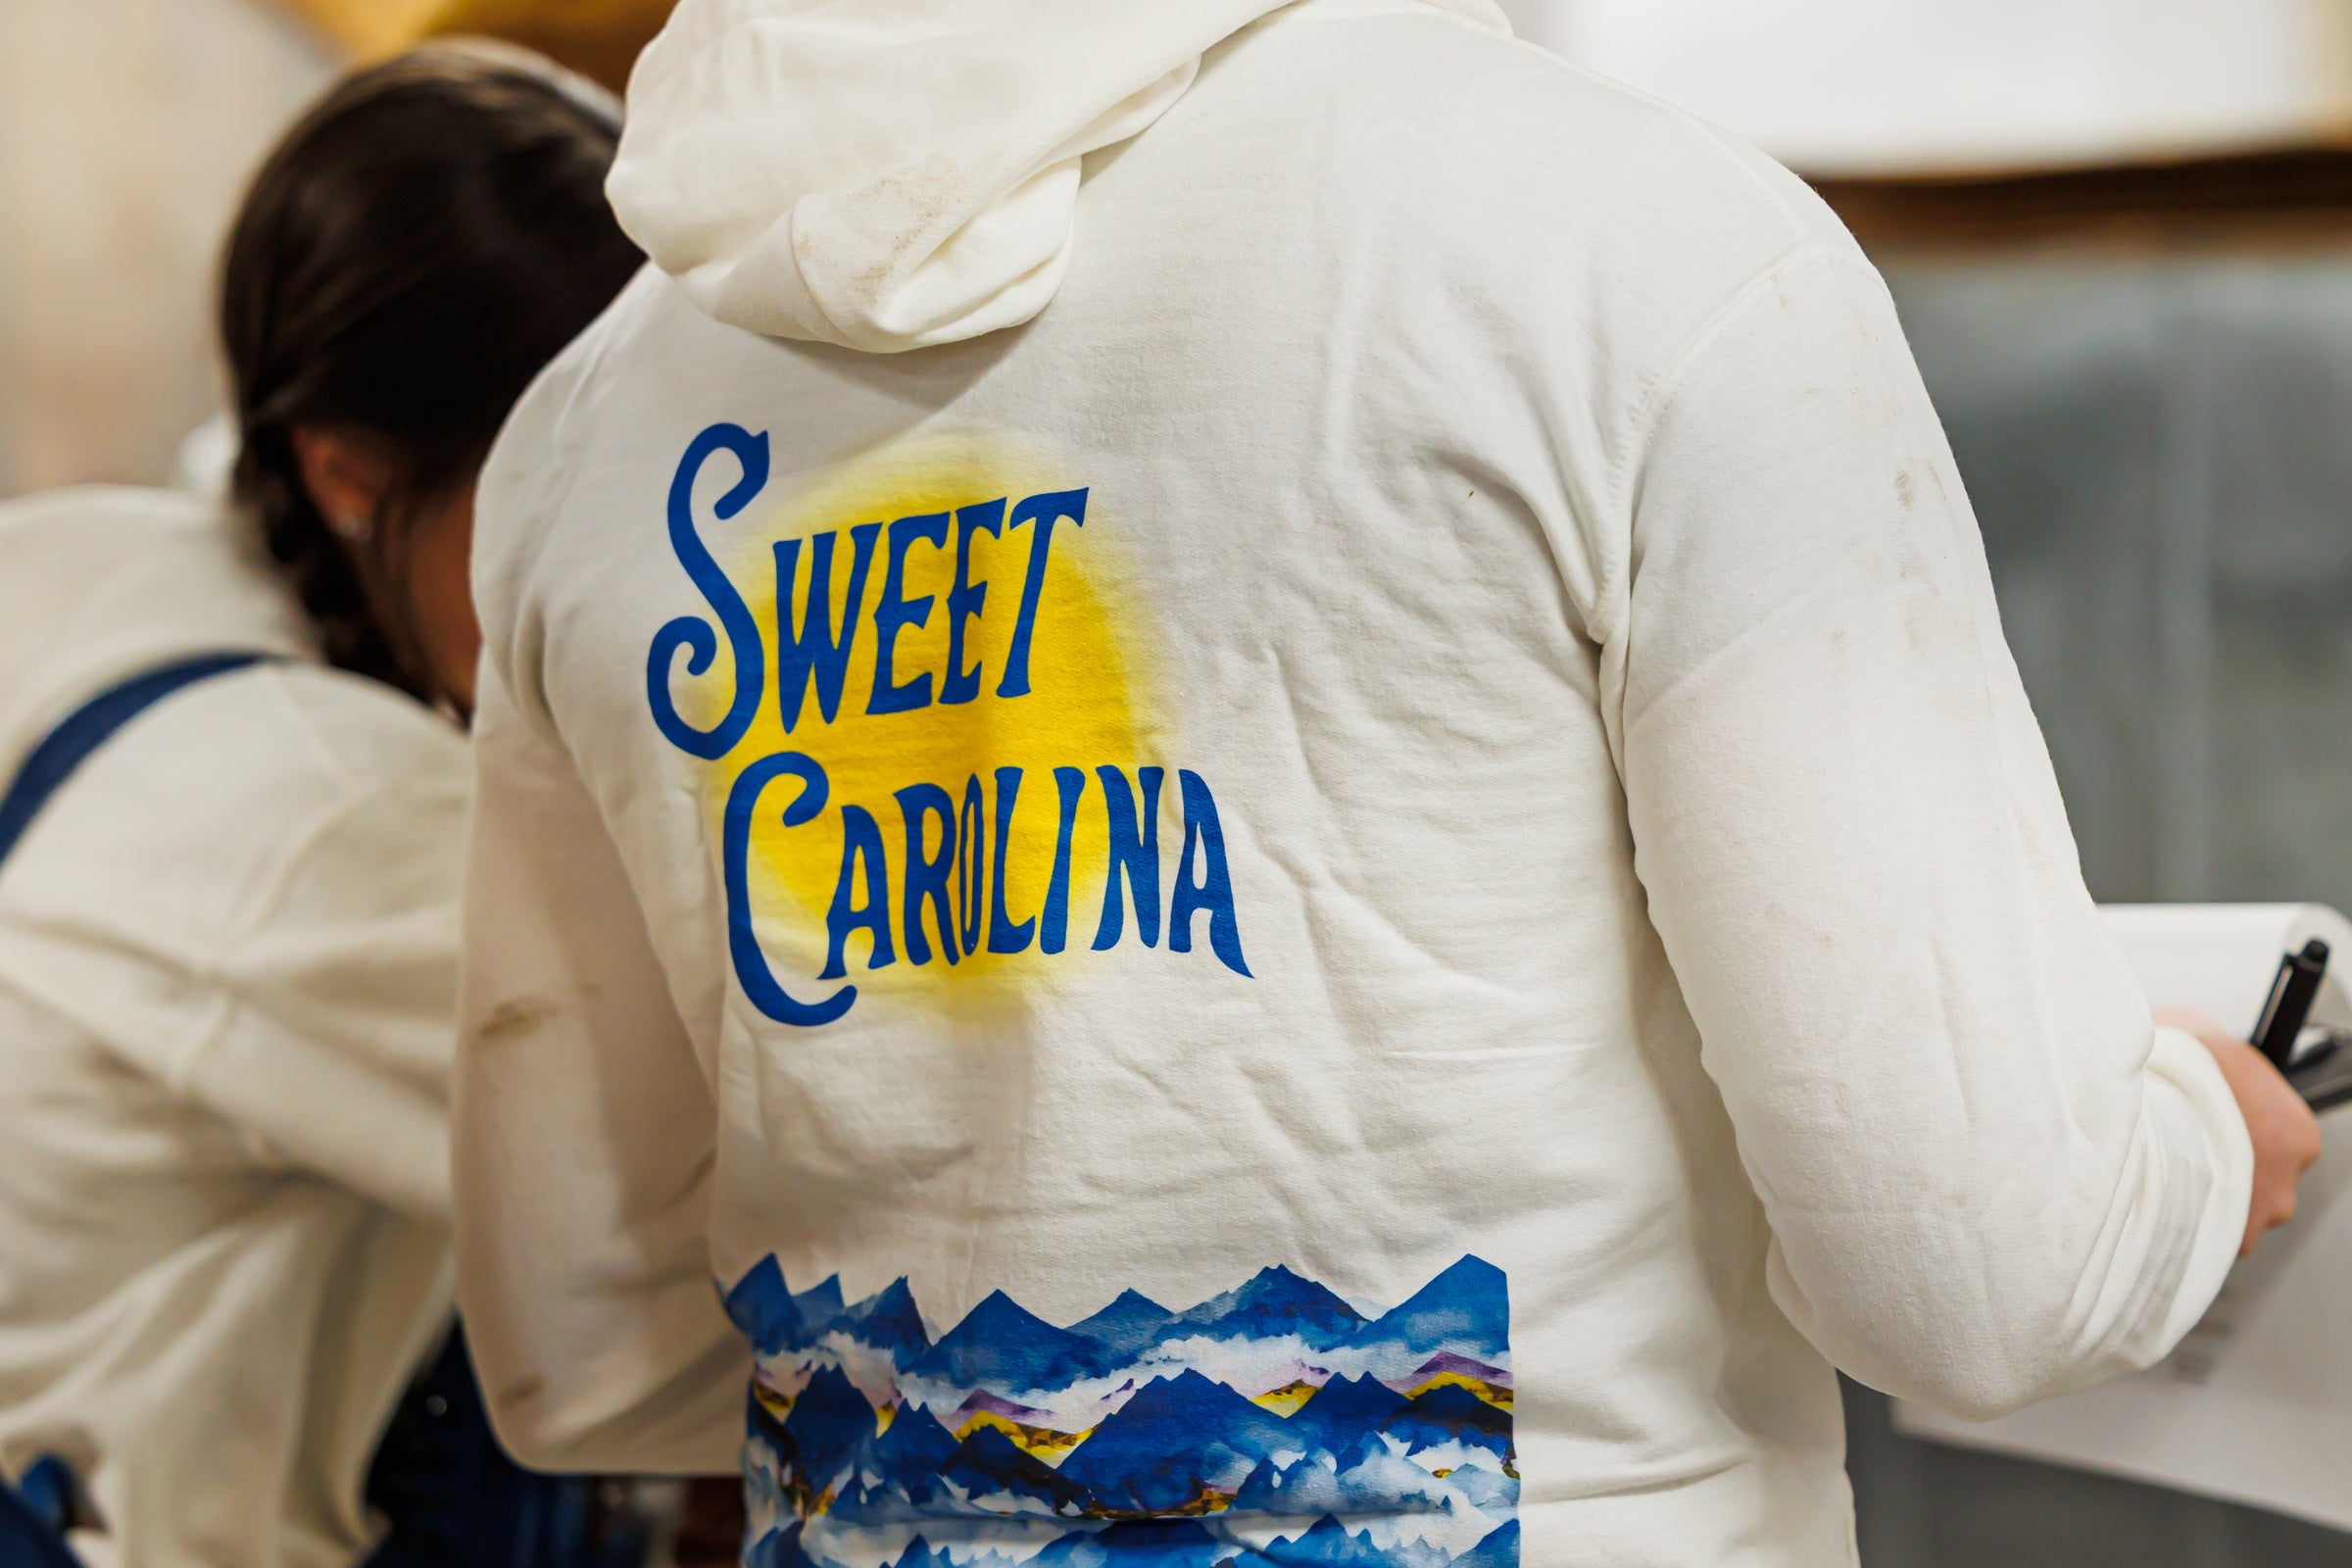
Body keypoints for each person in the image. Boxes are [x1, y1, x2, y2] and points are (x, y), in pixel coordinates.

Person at [450, 4, 2322, 1565]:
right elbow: (1979, 1275)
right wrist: (2194, 1147)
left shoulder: (582, 434)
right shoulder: (1641, 253)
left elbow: (579, 1347)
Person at [0, 44, 641, 1567]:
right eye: (562, 494)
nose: (624, 572)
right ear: (348, 471)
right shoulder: (334, 823)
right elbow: (717, 1213)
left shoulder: (91, 566)